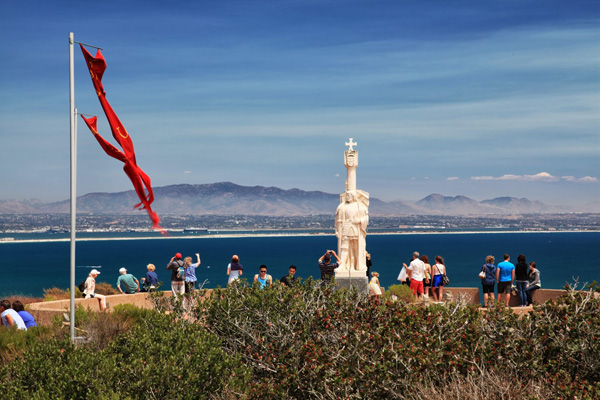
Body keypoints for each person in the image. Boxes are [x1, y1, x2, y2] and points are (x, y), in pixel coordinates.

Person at [334, 190, 369, 271]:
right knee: (344, 247)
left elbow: (366, 217)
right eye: (346, 195)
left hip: (356, 228)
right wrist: (337, 230)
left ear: (353, 196)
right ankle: (343, 265)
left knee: (356, 247)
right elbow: (337, 219)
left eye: (349, 195)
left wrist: (359, 221)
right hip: (346, 227)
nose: (347, 197)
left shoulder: (360, 206)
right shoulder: (342, 206)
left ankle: (356, 264)